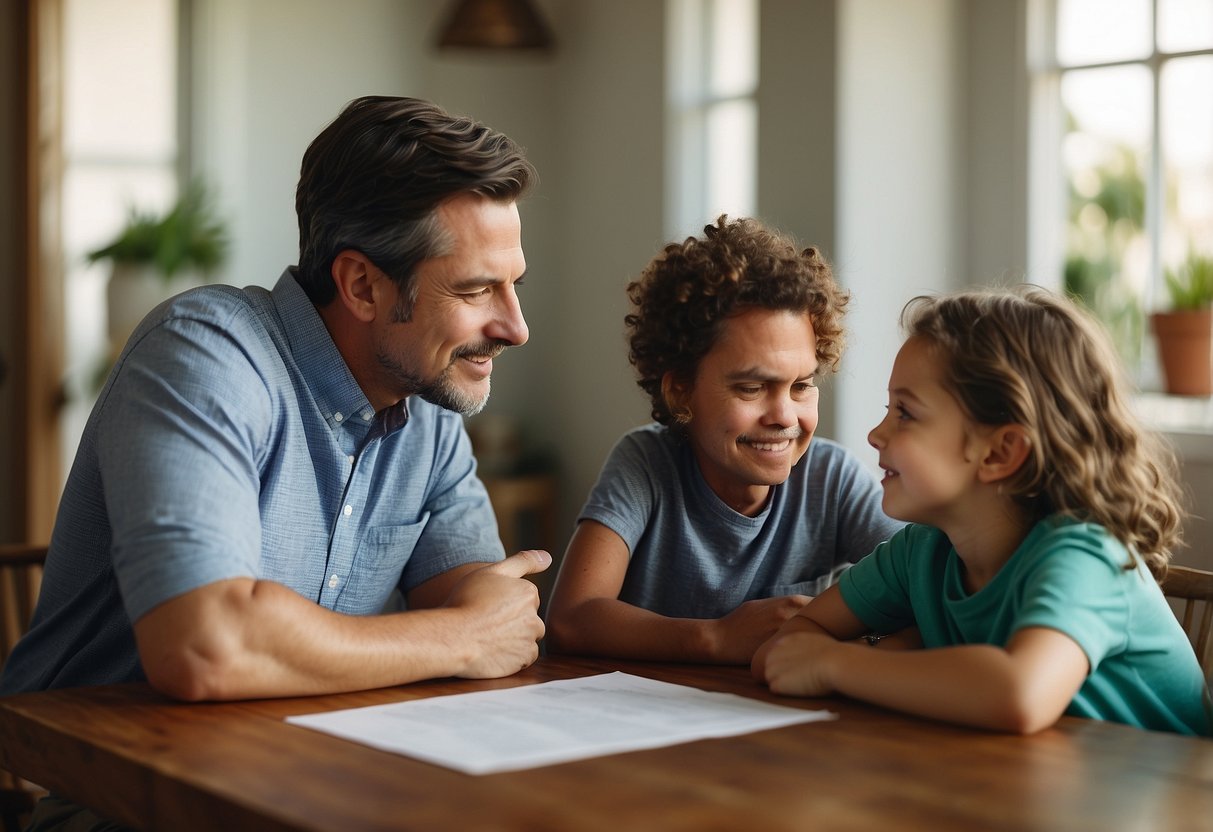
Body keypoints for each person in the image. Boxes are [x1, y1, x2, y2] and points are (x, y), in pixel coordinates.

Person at [1, 96, 551, 708]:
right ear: (363, 286)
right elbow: (204, 648)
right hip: (115, 789)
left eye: (513, 286)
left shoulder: (428, 402)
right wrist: (461, 639)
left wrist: (473, 628)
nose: (516, 327)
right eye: (476, 290)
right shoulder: (205, 355)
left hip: (318, 767)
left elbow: (487, 613)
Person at [753, 286, 1211, 736]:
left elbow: (1019, 694)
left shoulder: (1085, 556)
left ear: (999, 453)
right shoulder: (921, 552)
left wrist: (837, 663)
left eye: (906, 413)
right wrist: (869, 653)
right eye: (887, 408)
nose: (875, 434)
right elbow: (785, 646)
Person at [544, 216, 903, 664]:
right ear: (680, 390)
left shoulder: (832, 480)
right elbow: (569, 619)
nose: (784, 416)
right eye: (751, 388)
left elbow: (930, 584)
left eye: (801, 386)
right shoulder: (646, 465)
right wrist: (715, 638)